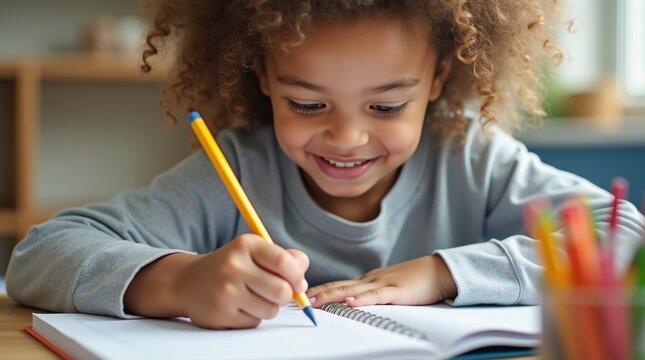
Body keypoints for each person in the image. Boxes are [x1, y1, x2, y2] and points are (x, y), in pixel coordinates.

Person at [7, 0, 644, 330]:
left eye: (386, 104)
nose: (346, 136)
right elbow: (40, 254)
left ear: (437, 79)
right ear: (263, 79)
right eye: (307, 102)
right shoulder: (235, 170)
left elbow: (623, 232)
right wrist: (181, 283)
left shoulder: (469, 157)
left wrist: (442, 275)